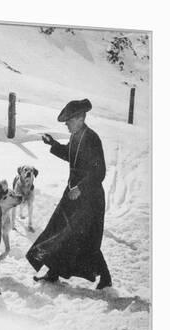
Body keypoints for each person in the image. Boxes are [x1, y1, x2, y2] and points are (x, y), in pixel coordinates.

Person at [26, 98, 112, 290]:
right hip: (73, 194)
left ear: (81, 118)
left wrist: (80, 188)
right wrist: (53, 144)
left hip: (89, 197)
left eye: (69, 121)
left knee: (86, 239)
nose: (66, 124)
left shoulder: (92, 138)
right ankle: (53, 272)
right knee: (58, 231)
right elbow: (70, 155)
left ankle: (105, 278)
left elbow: (100, 171)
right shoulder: (76, 136)